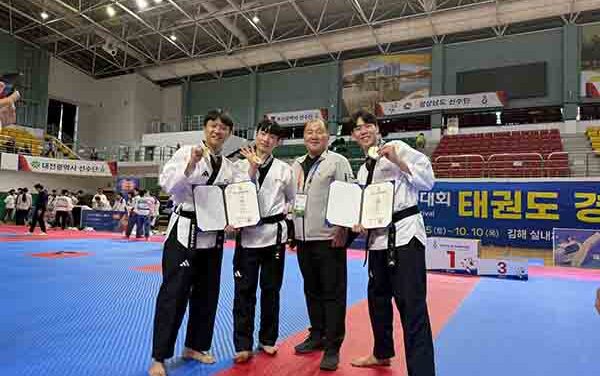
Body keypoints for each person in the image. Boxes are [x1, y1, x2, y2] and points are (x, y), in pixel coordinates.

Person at [149, 110, 245, 376]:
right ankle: (159, 356)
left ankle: (195, 346)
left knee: (207, 295)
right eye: (214, 125)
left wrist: (234, 219)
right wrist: (190, 165)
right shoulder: (187, 153)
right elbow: (168, 185)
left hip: (212, 237)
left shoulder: (228, 166)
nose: (218, 130)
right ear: (205, 128)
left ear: (229, 133)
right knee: (174, 295)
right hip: (184, 233)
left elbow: (237, 197)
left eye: (224, 127)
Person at [348, 110, 436, 375]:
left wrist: (398, 160)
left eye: (367, 126)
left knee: (411, 305)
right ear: (353, 136)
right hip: (377, 240)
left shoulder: (397, 148)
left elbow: (428, 181)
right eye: (357, 129)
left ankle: (421, 372)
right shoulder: (363, 169)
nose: (362, 131)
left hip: (405, 235)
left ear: (377, 128)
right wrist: (359, 222)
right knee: (378, 299)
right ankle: (382, 353)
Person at [290, 118, 354, 371]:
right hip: (304, 239)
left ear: (327, 137)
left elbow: (348, 197)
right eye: (309, 132)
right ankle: (317, 335)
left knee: (333, 293)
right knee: (312, 290)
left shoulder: (338, 162)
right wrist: (293, 231)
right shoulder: (295, 164)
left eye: (319, 132)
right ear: (304, 137)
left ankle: (332, 346)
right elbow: (294, 200)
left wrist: (343, 228)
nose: (314, 136)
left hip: (329, 238)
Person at [231, 119, 296, 363]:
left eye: (272, 137)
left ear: (278, 142)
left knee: (271, 290)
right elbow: (237, 195)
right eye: (262, 133)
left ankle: (268, 339)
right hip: (247, 236)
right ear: (256, 135)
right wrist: (251, 168)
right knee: (243, 292)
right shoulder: (238, 166)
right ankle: (242, 344)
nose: (266, 139)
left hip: (274, 237)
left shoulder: (284, 169)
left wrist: (291, 229)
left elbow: (291, 199)